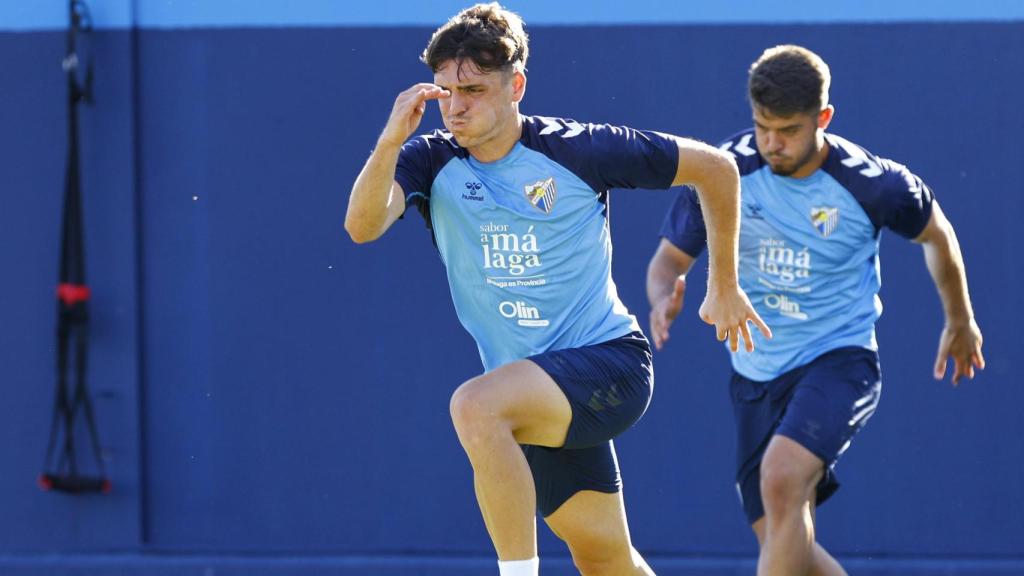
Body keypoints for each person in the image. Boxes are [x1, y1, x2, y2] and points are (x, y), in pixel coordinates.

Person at [345, 4, 770, 575]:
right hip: (531, 389)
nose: (456, 107)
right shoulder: (427, 161)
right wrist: (389, 142)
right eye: (446, 92)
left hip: (609, 366)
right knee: (605, 559)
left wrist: (724, 284)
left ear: (516, 86)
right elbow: (362, 227)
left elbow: (716, 168)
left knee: (475, 406)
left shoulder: (577, 149)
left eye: (473, 90)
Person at [647, 44, 985, 576]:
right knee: (783, 538)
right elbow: (668, 261)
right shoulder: (723, 171)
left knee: (782, 480)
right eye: (762, 127)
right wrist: (663, 297)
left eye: (788, 130)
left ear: (822, 119)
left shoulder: (873, 184)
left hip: (839, 359)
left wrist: (960, 319)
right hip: (755, 374)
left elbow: (936, 234)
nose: (772, 143)